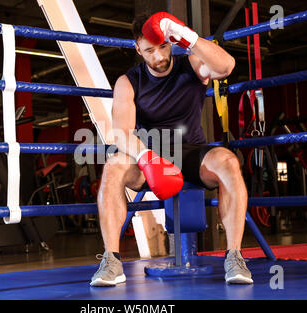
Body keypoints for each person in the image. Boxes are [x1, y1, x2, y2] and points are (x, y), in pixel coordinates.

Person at [90, 12, 253, 286]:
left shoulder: (191, 64)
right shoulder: (128, 82)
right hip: (150, 156)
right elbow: (122, 132)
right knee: (114, 165)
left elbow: (226, 66)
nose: (158, 57)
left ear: (170, 42)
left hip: (192, 153)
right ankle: (111, 260)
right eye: (150, 50)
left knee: (227, 161)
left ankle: (234, 257)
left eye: (163, 46)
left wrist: (186, 36)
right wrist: (146, 157)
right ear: (138, 49)